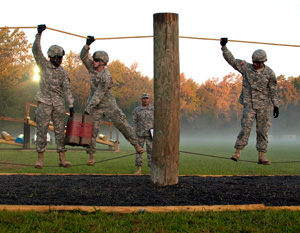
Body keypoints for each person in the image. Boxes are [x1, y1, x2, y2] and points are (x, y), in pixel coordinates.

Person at [80, 35, 144, 166]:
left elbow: (98, 94)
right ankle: (91, 156)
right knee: (92, 131)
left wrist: (87, 110)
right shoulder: (92, 68)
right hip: (95, 106)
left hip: (108, 103)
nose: (94, 62)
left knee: (123, 124)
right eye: (94, 59)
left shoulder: (106, 76)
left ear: (103, 62)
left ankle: (136, 145)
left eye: (97, 60)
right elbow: (83, 57)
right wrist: (87, 45)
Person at [220, 37, 279, 165]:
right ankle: (237, 153)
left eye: (257, 62)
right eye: (253, 61)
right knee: (245, 129)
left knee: (263, 131)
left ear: (263, 61)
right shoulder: (246, 68)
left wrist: (276, 106)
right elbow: (233, 61)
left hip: (264, 106)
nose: (254, 63)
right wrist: (224, 48)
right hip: (249, 105)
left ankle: (262, 157)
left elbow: (273, 90)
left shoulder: (269, 73)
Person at [32, 24, 74, 169]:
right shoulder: (43, 65)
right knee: (42, 131)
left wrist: (71, 106)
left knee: (59, 132)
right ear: (51, 57)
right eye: (58, 57)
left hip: (58, 105)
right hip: (44, 102)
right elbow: (36, 51)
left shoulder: (63, 72)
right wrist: (39, 35)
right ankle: (40, 159)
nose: (60, 60)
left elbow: (67, 90)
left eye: (61, 57)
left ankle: (62, 158)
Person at [132, 93, 154, 174]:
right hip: (140, 134)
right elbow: (134, 122)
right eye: (144, 98)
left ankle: (151, 169)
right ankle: (139, 169)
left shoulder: (153, 109)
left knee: (151, 152)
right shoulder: (137, 110)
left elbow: (157, 121)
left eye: (147, 98)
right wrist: (133, 133)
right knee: (139, 152)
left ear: (149, 99)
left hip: (150, 134)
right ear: (141, 99)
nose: (145, 100)